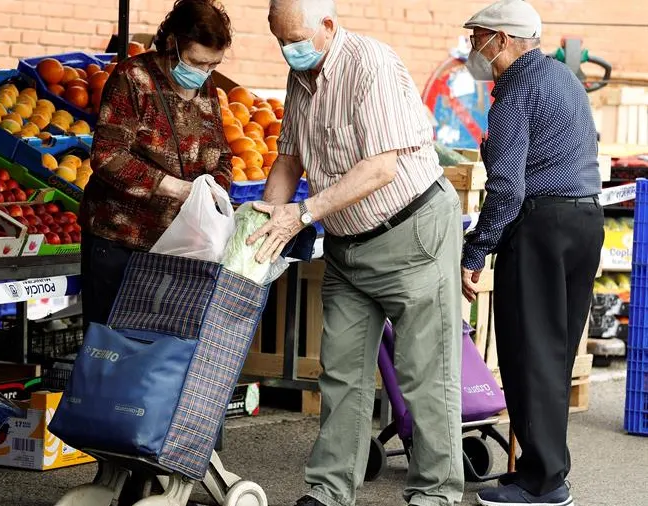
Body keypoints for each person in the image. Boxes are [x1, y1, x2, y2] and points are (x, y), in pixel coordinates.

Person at [253, 1, 465, 505]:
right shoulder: (300, 76)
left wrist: (301, 216)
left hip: (411, 232)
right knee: (340, 373)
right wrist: (263, 218)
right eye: (279, 41)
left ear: (328, 26)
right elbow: (290, 157)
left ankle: (434, 493)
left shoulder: (372, 64)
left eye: (295, 40)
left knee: (424, 375)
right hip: (348, 247)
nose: (288, 50)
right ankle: (328, 491)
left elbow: (380, 169)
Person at [460, 1, 604, 505]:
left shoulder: (517, 87)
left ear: (502, 40)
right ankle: (543, 473)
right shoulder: (564, 78)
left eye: (477, 36)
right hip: (585, 221)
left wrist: (475, 250)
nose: (471, 46)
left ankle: (543, 481)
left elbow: (505, 186)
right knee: (555, 353)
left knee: (530, 352)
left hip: (542, 224)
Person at [78, 0, 233, 329]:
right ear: (173, 42)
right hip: (120, 243)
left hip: (178, 250)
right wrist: (175, 189)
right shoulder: (133, 79)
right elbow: (107, 156)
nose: (204, 73)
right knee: (111, 347)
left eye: (212, 65)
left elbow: (222, 155)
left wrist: (214, 191)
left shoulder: (207, 90)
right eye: (197, 62)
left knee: (156, 353)